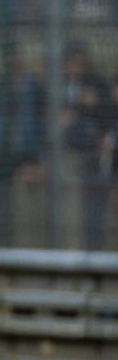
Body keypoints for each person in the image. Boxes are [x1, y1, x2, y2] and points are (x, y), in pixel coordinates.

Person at [0, 48, 46, 245]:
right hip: (2, 151)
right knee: (2, 201)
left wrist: (38, 156)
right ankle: (4, 242)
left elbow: (41, 119)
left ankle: (33, 243)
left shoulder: (34, 86)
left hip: (28, 150)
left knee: (31, 203)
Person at [62, 43, 114, 249]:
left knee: (95, 207)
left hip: (94, 151)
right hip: (74, 151)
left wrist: (90, 104)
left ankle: (96, 249)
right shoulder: (66, 84)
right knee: (79, 210)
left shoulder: (96, 82)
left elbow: (105, 110)